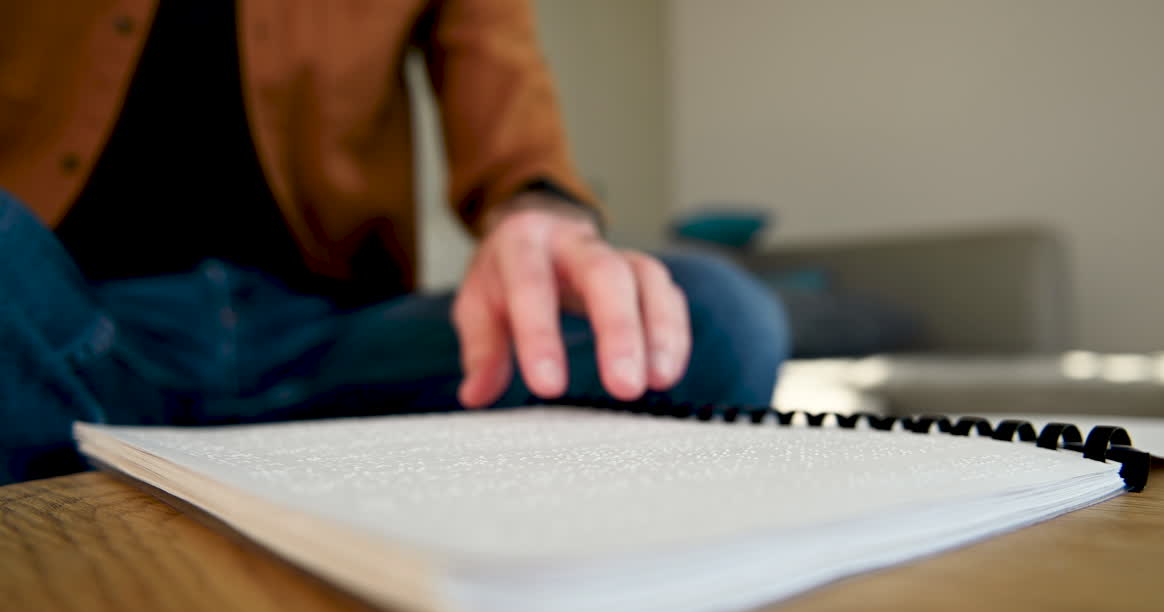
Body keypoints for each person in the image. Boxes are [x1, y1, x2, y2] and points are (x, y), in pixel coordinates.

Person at [0, 0, 789, 484]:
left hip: (331, 351)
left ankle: (72, 465)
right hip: (72, 335)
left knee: (713, 316)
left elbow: (502, 82)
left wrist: (537, 211)